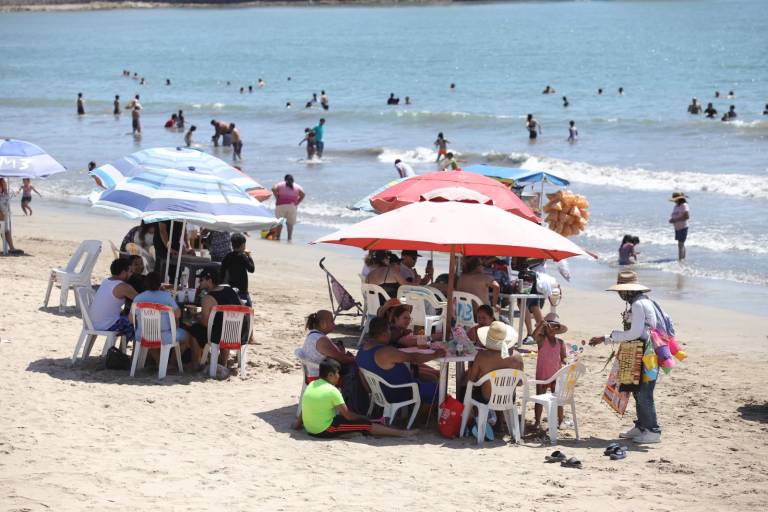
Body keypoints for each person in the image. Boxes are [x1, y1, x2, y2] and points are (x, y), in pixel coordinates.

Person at [589, 271, 664, 444]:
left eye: (621, 291)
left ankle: (652, 431)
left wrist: (606, 338)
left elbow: (635, 333)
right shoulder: (645, 301)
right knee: (637, 391)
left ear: (628, 291)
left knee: (644, 393)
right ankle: (642, 427)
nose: (620, 294)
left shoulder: (638, 305)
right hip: (644, 349)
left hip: (646, 352)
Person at [296, 358, 416, 438]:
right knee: (364, 424)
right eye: (337, 373)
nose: (338, 376)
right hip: (324, 430)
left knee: (347, 421)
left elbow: (303, 408)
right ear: (330, 375)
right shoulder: (333, 391)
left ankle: (354, 431)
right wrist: (363, 417)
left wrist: (298, 424)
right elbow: (348, 415)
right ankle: (402, 434)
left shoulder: (312, 384)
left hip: (309, 428)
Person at [356, 317, 445, 406]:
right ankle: (429, 413)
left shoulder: (362, 351)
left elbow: (362, 378)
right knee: (440, 390)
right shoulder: (385, 352)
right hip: (400, 393)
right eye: (389, 331)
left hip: (382, 392)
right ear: (384, 333)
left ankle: (424, 410)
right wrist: (435, 355)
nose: (390, 334)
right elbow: (414, 358)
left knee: (430, 378)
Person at [464, 321, 524, 437]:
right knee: (502, 389)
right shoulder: (517, 357)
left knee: (470, 388)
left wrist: (472, 366)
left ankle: (477, 422)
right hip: (508, 398)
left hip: (486, 398)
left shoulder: (482, 356)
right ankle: (500, 424)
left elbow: (472, 379)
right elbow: (520, 383)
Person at [187, 269, 248, 370]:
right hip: (239, 333)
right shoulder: (230, 290)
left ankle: (195, 363)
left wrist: (196, 317)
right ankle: (223, 363)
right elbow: (243, 307)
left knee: (194, 330)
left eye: (201, 280)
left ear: (209, 281)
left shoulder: (208, 298)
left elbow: (206, 323)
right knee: (224, 325)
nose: (199, 282)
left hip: (221, 335)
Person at [532, 313, 567, 430]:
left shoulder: (560, 343)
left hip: (556, 374)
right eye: (550, 326)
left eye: (556, 327)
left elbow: (563, 357)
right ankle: (537, 421)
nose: (553, 329)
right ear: (545, 327)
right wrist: (541, 323)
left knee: (558, 400)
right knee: (539, 399)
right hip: (542, 374)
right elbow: (533, 335)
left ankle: (561, 421)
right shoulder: (541, 340)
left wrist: (566, 363)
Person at [88, 258, 137, 339]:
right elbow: (142, 299)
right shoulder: (122, 286)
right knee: (141, 324)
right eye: (130, 271)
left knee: (130, 318)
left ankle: (126, 349)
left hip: (93, 323)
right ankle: (139, 351)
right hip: (108, 325)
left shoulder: (106, 281)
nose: (132, 274)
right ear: (123, 273)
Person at [219, 233, 254, 305]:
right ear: (242, 245)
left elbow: (222, 272)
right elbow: (251, 269)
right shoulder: (242, 256)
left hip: (230, 288)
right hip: (242, 289)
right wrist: (249, 256)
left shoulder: (228, 256)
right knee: (247, 308)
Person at [272, 174, 305, 241]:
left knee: (279, 222)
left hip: (280, 205)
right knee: (290, 223)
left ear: (285, 179)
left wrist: (277, 197)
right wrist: (297, 202)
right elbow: (303, 194)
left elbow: (273, 189)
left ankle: (278, 237)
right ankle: (289, 238)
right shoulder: (297, 186)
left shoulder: (281, 184)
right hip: (292, 206)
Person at [0, 178, 20, 253]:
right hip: (2, 208)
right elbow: (5, 194)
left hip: (2, 208)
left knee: (4, 229)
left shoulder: (2, 180)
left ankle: (10, 248)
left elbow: (5, 193)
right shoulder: (2, 180)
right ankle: (11, 248)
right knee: (4, 229)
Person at [668, 191, 689, 260]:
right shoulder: (676, 206)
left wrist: (675, 220)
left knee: (680, 244)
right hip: (677, 228)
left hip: (683, 227)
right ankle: (683, 258)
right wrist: (672, 219)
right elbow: (676, 215)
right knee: (681, 244)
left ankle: (680, 259)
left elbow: (686, 216)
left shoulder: (684, 205)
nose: (674, 201)